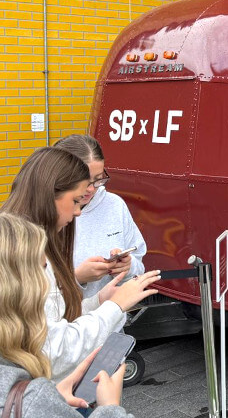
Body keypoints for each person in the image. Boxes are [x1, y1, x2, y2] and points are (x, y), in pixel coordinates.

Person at [0, 147, 160, 380]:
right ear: (50, 192)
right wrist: (114, 307)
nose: (78, 212)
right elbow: (55, 350)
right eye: (76, 200)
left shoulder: (29, 243)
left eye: (99, 179)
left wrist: (99, 301)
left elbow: (51, 323)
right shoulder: (25, 253)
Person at [0, 213, 135, 417]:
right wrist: (109, 408)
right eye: (43, 271)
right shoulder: (32, 400)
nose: (48, 283)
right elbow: (58, 345)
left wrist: (54, 398)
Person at [55, 135, 147, 299]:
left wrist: (128, 267)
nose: (91, 189)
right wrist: (77, 278)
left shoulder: (115, 205)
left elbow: (139, 267)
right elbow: (25, 291)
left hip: (109, 321)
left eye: (98, 180)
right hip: (62, 322)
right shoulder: (41, 214)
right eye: (84, 181)